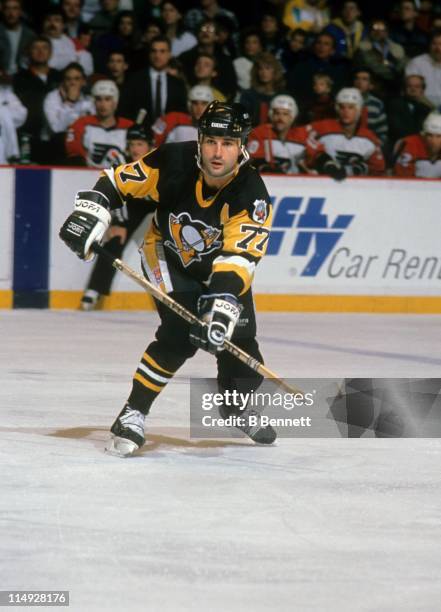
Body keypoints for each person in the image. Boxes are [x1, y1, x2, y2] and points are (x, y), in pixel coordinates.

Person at [59, 101, 276, 456]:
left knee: (241, 344)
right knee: (178, 336)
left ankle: (236, 407)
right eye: (211, 141)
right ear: (200, 140)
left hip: (220, 269)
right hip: (166, 255)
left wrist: (220, 307)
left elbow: (239, 258)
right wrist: (92, 209)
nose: (218, 152)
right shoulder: (173, 161)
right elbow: (116, 182)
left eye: (228, 143)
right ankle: (132, 413)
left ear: (242, 146)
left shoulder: (252, 196)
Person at [80, 122, 156, 310]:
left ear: (149, 145)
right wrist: (120, 222)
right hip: (134, 203)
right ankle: (94, 290)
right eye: (131, 144)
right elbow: (115, 193)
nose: (135, 149)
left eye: (140, 144)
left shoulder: (159, 160)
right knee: (115, 237)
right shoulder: (122, 161)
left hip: (160, 202)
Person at [307, 87, 385, 179]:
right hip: (324, 185)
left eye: (351, 107)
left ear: (359, 110)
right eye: (342, 107)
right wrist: (322, 159)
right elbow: (301, 140)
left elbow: (378, 169)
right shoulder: (322, 128)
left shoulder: (369, 137)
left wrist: (364, 168)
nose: (345, 111)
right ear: (337, 109)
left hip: (355, 188)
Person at [118, 35, 187, 122]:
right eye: (154, 51)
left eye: (162, 51)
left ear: (169, 54)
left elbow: (182, 113)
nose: (157, 55)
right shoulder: (134, 80)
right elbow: (125, 110)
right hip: (139, 133)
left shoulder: (177, 84)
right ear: (149, 54)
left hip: (171, 133)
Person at [65, 78, 133, 167]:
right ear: (94, 102)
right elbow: (75, 155)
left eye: (107, 99)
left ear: (115, 102)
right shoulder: (81, 124)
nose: (102, 104)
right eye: (98, 99)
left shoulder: (129, 126)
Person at [247, 94, 310, 174]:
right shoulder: (259, 133)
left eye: (285, 114)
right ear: (271, 115)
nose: (280, 118)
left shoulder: (303, 134)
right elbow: (255, 159)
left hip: (297, 182)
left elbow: (317, 153)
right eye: (277, 113)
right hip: (268, 181)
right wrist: (267, 169)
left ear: (292, 117)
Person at [240, 52, 286, 126]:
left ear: (275, 71)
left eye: (267, 68)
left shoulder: (282, 95)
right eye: (261, 69)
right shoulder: (248, 95)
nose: (264, 72)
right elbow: (243, 120)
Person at [387, 74, 432, 146]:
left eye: (417, 86)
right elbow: (396, 129)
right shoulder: (394, 105)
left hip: (421, 145)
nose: (413, 89)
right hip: (399, 144)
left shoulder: (426, 109)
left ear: (422, 90)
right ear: (404, 89)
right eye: (409, 86)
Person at [394, 111, 441, 177]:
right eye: (430, 135)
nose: (434, 141)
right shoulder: (410, 144)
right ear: (423, 135)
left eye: (439, 136)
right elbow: (402, 178)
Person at [405, 29, 441, 108]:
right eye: (434, 44)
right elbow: (412, 90)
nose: (437, 48)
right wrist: (433, 109)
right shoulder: (416, 63)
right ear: (429, 45)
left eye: (440, 44)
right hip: (421, 107)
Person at [353, 67, 388, 147]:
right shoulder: (343, 101)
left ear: (371, 85)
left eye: (364, 79)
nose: (359, 82)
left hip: (370, 146)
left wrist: (376, 145)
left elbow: (383, 133)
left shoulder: (377, 104)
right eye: (357, 78)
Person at [0, 0, 36, 75]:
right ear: (2, 11)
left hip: (22, 78)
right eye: (7, 9)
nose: (11, 13)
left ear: (20, 11)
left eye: (15, 8)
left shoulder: (30, 35)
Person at [42, 7, 77, 72]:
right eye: (48, 20)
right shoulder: (37, 41)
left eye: (56, 20)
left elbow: (73, 62)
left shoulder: (68, 41)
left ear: (63, 25)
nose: (52, 24)